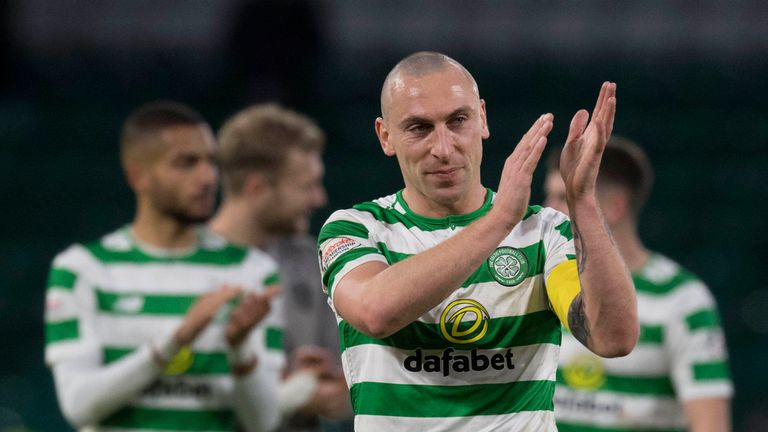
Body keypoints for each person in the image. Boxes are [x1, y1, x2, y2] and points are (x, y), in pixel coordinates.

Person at [316, 51, 638, 431]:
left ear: (482, 118)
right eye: (419, 128)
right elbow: (375, 311)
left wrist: (581, 200)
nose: (444, 148)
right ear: (385, 136)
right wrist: (500, 220)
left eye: (458, 121)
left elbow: (614, 337)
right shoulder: (356, 228)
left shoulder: (545, 233)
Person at [44, 101, 284, 432]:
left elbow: (263, 421)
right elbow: (79, 406)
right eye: (186, 163)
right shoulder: (83, 270)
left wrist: (241, 347)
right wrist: (177, 339)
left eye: (211, 162)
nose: (207, 177)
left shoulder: (252, 270)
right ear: (137, 176)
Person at [545, 137, 734, 431]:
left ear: (615, 206)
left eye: (563, 198)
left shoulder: (682, 299)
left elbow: (710, 425)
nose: (549, 211)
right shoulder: (546, 284)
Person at [210, 103, 352, 432]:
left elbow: (347, 384)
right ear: (257, 189)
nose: (319, 198)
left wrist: (332, 392)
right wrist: (290, 390)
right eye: (307, 186)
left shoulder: (316, 260)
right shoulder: (186, 267)